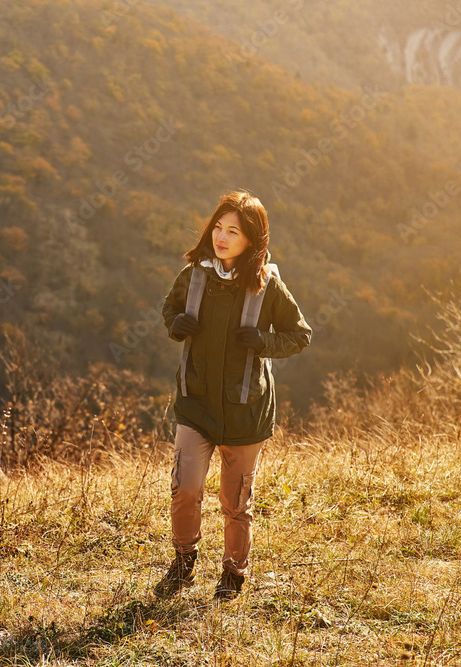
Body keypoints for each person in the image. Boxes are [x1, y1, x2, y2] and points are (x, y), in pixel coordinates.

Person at [156, 191, 311, 600]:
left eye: (233, 232)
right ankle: (184, 561)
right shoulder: (193, 275)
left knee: (235, 501)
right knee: (185, 487)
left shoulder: (267, 285)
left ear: (252, 240)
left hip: (245, 411)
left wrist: (262, 341)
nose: (221, 238)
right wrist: (178, 326)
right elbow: (169, 309)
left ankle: (232, 574)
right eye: (218, 228)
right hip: (196, 403)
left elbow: (299, 335)